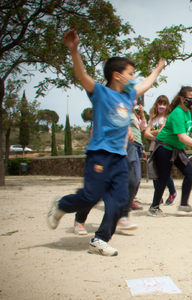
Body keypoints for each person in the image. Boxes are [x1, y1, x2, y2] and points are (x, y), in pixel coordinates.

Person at [47, 28, 165, 256]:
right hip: (99, 154)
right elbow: (82, 75)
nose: (133, 79)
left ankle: (100, 239)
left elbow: (146, 85)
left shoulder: (128, 96)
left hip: (119, 157)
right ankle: (62, 205)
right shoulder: (100, 92)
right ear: (117, 75)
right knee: (91, 196)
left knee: (120, 199)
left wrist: (158, 69)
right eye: (130, 74)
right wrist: (74, 51)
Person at [147, 86, 192, 217]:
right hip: (164, 147)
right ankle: (154, 207)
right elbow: (182, 137)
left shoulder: (187, 112)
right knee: (164, 177)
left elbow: (182, 138)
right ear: (182, 99)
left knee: (190, 173)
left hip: (176, 148)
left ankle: (183, 205)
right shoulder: (177, 113)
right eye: (190, 98)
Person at [144, 95, 177, 205]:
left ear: (167, 106)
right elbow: (145, 134)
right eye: (160, 103)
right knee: (154, 173)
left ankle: (172, 192)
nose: (162, 106)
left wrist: (152, 133)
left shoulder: (167, 118)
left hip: (164, 148)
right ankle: (158, 197)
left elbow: (161, 131)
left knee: (164, 173)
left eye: (164, 104)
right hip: (153, 148)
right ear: (156, 105)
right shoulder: (152, 119)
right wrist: (156, 136)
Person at [128, 103, 147, 210]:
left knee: (137, 176)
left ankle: (130, 199)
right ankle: (128, 201)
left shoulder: (133, 115)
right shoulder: (123, 113)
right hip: (130, 145)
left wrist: (141, 112)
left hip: (137, 145)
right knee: (134, 175)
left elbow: (142, 127)